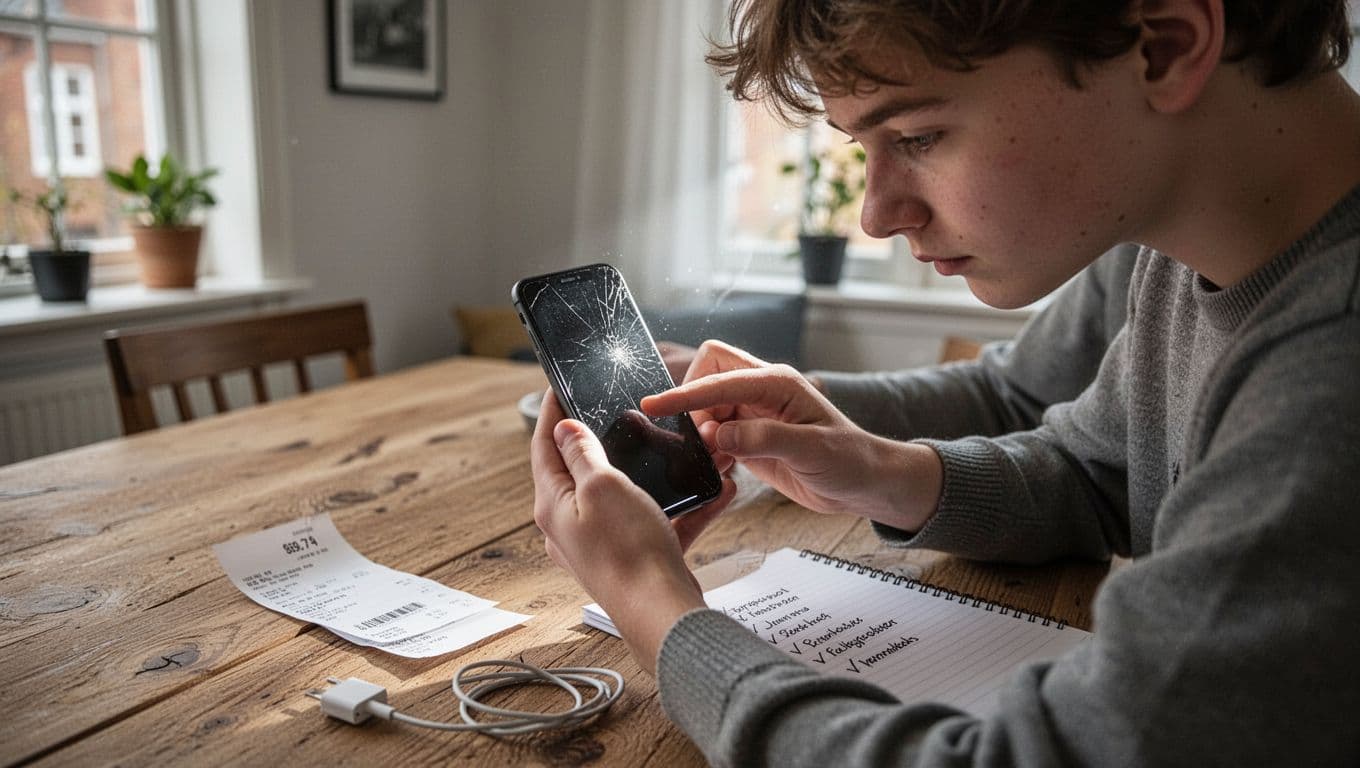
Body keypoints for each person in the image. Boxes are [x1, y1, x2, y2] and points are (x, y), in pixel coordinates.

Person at [530, 0, 1360, 764]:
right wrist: (880, 472)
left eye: (919, 137)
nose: (877, 215)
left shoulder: (1329, 381)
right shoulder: (1187, 260)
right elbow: (1095, 472)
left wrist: (655, 608)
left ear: (1166, 46)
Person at [658, 242, 1137, 442]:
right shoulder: (1134, 261)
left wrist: (647, 587)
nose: (873, 221)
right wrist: (787, 396)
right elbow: (1012, 399)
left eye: (922, 137)